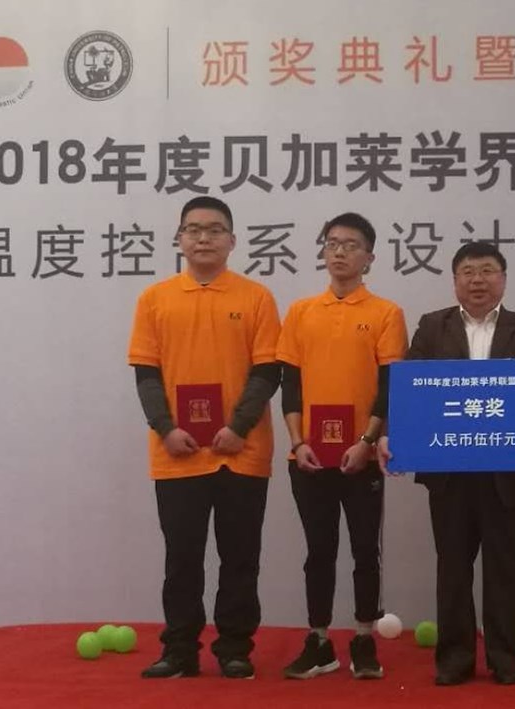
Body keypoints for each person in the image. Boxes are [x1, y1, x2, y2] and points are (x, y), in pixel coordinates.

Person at [378, 241, 515, 686]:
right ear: (455, 280)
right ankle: (454, 659)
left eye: (487, 270)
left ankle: (505, 658)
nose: (477, 280)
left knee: (505, 568)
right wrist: (393, 435)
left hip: (508, 471)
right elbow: (411, 392)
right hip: (450, 472)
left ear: (503, 279)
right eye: (467, 271)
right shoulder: (432, 327)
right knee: (452, 568)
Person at [128, 196, 281, 679]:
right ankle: (179, 650)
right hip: (177, 454)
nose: (203, 238)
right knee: (182, 558)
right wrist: (166, 429)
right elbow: (146, 375)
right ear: (179, 239)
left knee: (241, 557)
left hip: (241, 452)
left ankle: (235, 648)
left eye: (214, 230)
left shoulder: (256, 298)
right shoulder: (154, 299)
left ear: (232, 241)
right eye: (193, 230)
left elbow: (267, 372)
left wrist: (237, 428)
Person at [277, 213, 407, 680]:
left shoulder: (386, 313)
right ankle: (318, 641)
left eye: (351, 245)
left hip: (361, 457)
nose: (339, 252)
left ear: (369, 257)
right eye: (332, 243)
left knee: (364, 550)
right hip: (309, 457)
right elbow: (290, 385)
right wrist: (298, 443)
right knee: (319, 551)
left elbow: (389, 386)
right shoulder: (301, 312)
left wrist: (367, 441)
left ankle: (364, 639)